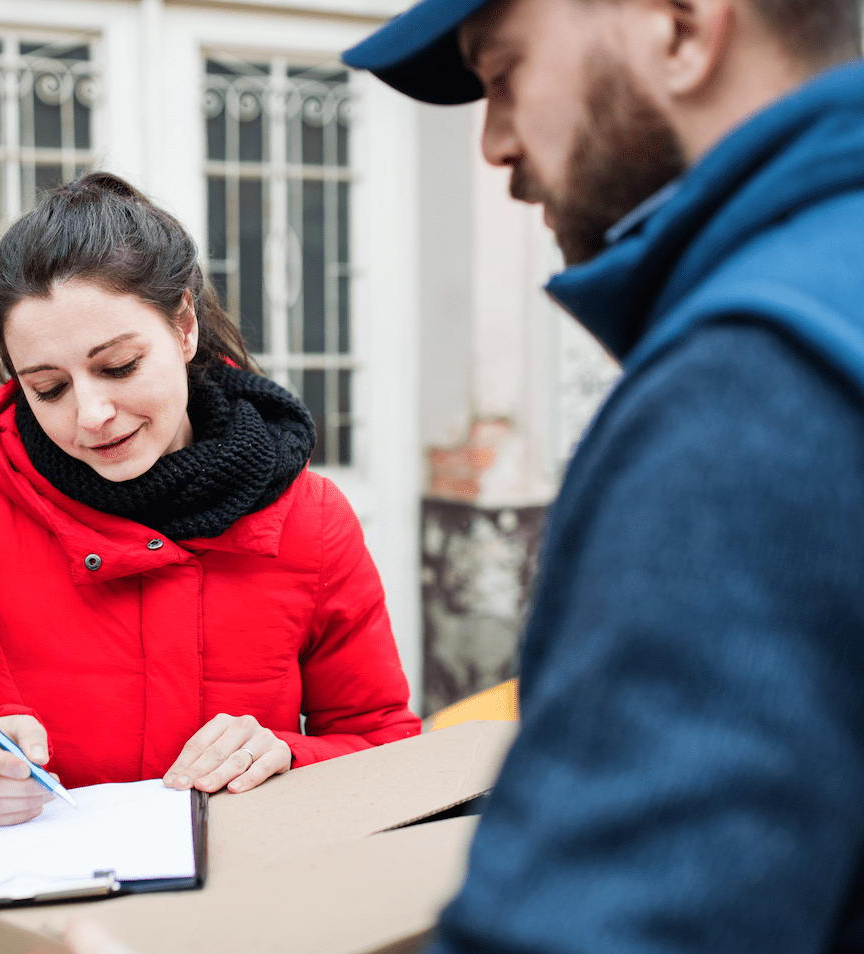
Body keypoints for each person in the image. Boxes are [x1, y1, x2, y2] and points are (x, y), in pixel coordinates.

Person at [67, 0, 864, 946]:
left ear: (681, 28)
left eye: (503, 74)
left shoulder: (744, 389)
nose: (491, 144)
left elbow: (605, 923)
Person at [0, 171, 420, 829]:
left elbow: (382, 742)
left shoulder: (311, 517)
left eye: (118, 366)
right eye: (48, 388)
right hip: (52, 912)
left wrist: (287, 756)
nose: (92, 414)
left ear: (183, 327)